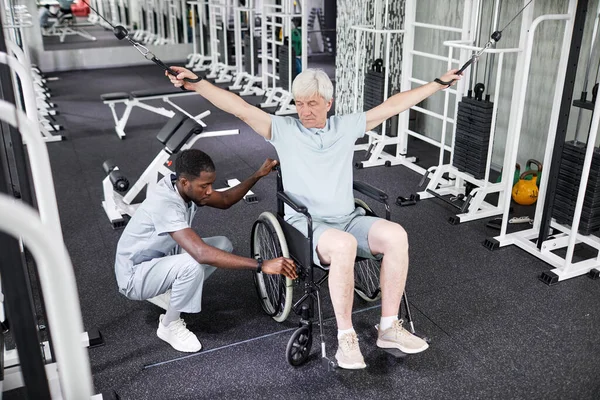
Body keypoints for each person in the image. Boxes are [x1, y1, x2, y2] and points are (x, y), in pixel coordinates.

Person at [166, 65, 460, 368]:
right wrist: (199, 83)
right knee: (343, 245)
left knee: (397, 235)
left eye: (312, 103)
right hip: (307, 227)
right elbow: (238, 108)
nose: (304, 111)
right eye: (299, 103)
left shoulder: (346, 126)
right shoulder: (282, 129)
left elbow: (394, 105)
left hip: (348, 218)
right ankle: (347, 339)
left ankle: (388, 327)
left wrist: (437, 84)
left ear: (328, 104)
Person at [114, 149, 297, 353]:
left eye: (210, 184)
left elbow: (225, 200)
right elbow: (200, 254)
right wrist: (261, 265)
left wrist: (257, 175)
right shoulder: (166, 203)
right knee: (194, 262)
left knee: (223, 244)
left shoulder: (180, 184)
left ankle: (171, 292)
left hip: (156, 260)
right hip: (133, 277)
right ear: (185, 183)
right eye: (204, 186)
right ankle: (169, 325)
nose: (210, 191)